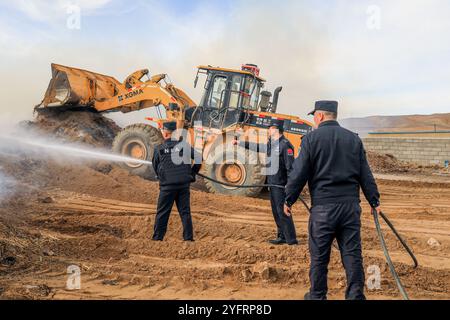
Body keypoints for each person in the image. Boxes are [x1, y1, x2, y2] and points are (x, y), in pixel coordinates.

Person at [284, 101, 381, 300]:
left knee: (319, 256)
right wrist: (374, 201)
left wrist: (288, 199)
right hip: (350, 208)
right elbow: (366, 174)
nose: (314, 119)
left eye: (314, 116)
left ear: (319, 116)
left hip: (323, 209)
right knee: (352, 254)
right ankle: (355, 296)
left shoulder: (311, 139)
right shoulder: (353, 139)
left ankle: (317, 296)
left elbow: (298, 174)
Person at [233, 119, 298, 245]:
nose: (268, 130)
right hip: (272, 184)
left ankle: (291, 239)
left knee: (283, 211)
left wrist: (289, 187)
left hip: (281, 185)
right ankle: (281, 236)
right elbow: (256, 146)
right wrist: (239, 143)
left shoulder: (285, 145)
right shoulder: (270, 143)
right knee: (276, 211)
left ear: (276, 129)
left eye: (270, 128)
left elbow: (291, 169)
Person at [152, 121, 202, 242]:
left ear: (165, 133)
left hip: (167, 187)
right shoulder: (184, 146)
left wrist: (162, 177)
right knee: (185, 212)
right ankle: (188, 238)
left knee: (162, 212)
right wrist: (191, 173)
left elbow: (155, 166)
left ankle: (158, 238)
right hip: (183, 185)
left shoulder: (159, 149)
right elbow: (199, 158)